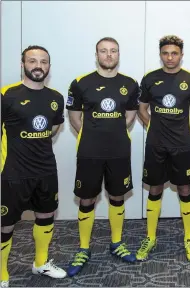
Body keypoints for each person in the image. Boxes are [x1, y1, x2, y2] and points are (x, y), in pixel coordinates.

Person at [66, 37, 140, 277]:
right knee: (87, 199)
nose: (109, 55)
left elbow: (130, 116)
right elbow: (75, 118)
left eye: (113, 51)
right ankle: (84, 248)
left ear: (118, 54)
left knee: (117, 196)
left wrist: (113, 133)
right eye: (103, 51)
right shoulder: (80, 83)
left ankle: (116, 243)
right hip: (89, 152)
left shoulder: (130, 84)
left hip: (119, 151)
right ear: (96, 54)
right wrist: (93, 135)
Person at [1, 45, 66, 287]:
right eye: (32, 61)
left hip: (46, 170)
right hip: (11, 172)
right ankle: (1, 274)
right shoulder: (6, 94)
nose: (38, 66)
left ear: (49, 67)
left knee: (46, 216)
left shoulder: (55, 98)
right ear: (23, 64)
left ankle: (40, 263)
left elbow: (53, 128)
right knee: (5, 224)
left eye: (43, 62)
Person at [136, 35, 190, 262]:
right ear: (160, 55)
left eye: (174, 53)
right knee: (154, 189)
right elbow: (142, 109)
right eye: (165, 53)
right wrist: (154, 127)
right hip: (156, 145)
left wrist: (186, 133)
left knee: (184, 189)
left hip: (182, 147)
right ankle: (150, 237)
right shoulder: (149, 79)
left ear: (181, 55)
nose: (170, 57)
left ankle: (188, 237)